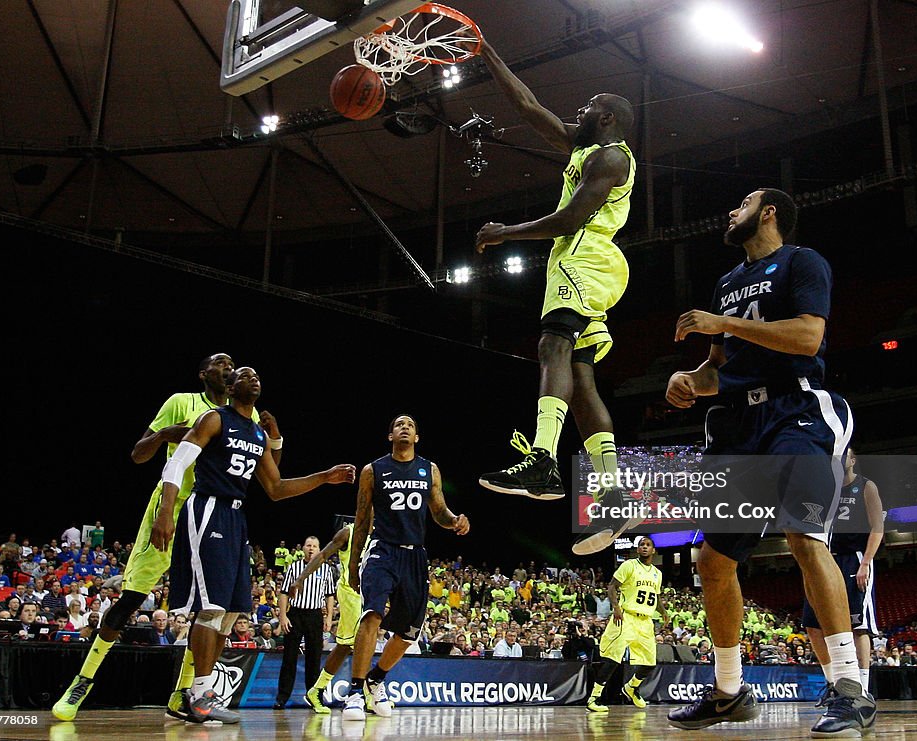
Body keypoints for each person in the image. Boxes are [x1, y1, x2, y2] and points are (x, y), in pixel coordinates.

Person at [664, 189, 875, 735]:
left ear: (771, 211)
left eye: (743, 203)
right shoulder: (728, 284)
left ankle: (849, 688)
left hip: (797, 410)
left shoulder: (802, 262)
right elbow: (717, 370)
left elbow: (808, 338)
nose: (732, 210)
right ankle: (730, 691)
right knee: (712, 562)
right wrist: (689, 381)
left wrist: (725, 325)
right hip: (739, 424)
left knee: (804, 536)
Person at [52, 353, 284, 722]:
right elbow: (139, 455)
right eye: (220, 363)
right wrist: (163, 435)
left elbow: (267, 475)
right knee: (131, 598)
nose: (228, 368)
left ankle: (185, 695)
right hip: (173, 510)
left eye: (232, 364)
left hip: (216, 516)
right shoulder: (182, 403)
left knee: (209, 610)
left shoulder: (248, 415)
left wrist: (275, 439)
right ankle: (83, 681)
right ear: (204, 373)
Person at [471, 37, 636, 513]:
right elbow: (527, 106)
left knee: (552, 345)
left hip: (583, 255)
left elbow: (568, 221)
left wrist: (505, 232)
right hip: (591, 260)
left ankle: (543, 458)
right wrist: (489, 52)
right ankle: (611, 489)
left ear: (605, 118)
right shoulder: (585, 147)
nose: (578, 111)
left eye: (588, 107)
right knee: (580, 377)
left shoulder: (609, 158)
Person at [152, 366, 355, 724]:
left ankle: (200, 694)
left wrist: (324, 477)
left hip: (236, 517)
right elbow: (177, 463)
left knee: (230, 615)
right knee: (211, 608)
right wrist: (166, 511)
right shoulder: (214, 419)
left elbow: (276, 489)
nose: (254, 378)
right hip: (208, 507)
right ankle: (198, 693)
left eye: (257, 375)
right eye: (244, 375)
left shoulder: (258, 434)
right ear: (230, 387)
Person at [343, 415, 470, 722]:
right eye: (399, 424)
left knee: (409, 633)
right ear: (390, 436)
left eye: (410, 425)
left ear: (417, 437)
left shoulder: (430, 469)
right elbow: (361, 520)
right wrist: (352, 564)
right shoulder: (373, 470)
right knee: (372, 613)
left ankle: (376, 679)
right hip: (382, 550)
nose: (404, 427)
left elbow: (438, 510)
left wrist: (454, 521)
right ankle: (356, 692)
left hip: (415, 555)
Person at [803, 448, 884, 696]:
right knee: (812, 625)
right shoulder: (827, 490)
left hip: (855, 558)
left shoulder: (866, 486)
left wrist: (865, 563)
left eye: (845, 454)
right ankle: (833, 684)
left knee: (858, 626)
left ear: (853, 460)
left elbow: (877, 528)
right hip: (826, 559)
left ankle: (862, 688)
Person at [287, 518, 368, 714]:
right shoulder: (347, 532)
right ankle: (364, 694)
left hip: (368, 594)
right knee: (359, 643)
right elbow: (323, 555)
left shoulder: (381, 534)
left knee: (346, 646)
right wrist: (300, 579)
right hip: (350, 593)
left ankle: (316, 689)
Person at [586, 536, 668, 712]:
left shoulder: (657, 574)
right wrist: (616, 608)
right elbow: (611, 587)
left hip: (645, 621)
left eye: (648, 545)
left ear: (653, 550)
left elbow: (656, 596)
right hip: (626, 617)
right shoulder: (629, 565)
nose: (644, 547)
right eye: (641, 545)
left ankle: (631, 687)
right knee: (612, 659)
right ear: (637, 549)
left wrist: (663, 612)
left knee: (650, 663)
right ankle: (594, 698)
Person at [275, 535, 335, 710]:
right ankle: (282, 697)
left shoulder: (326, 569)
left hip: (315, 615)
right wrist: (283, 616)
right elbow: (284, 592)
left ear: (319, 549)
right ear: (303, 548)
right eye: (308, 545)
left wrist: (329, 617)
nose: (311, 549)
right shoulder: (294, 567)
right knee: (289, 658)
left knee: (314, 659)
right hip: (295, 614)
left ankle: (314, 698)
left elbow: (330, 595)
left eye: (315, 546)